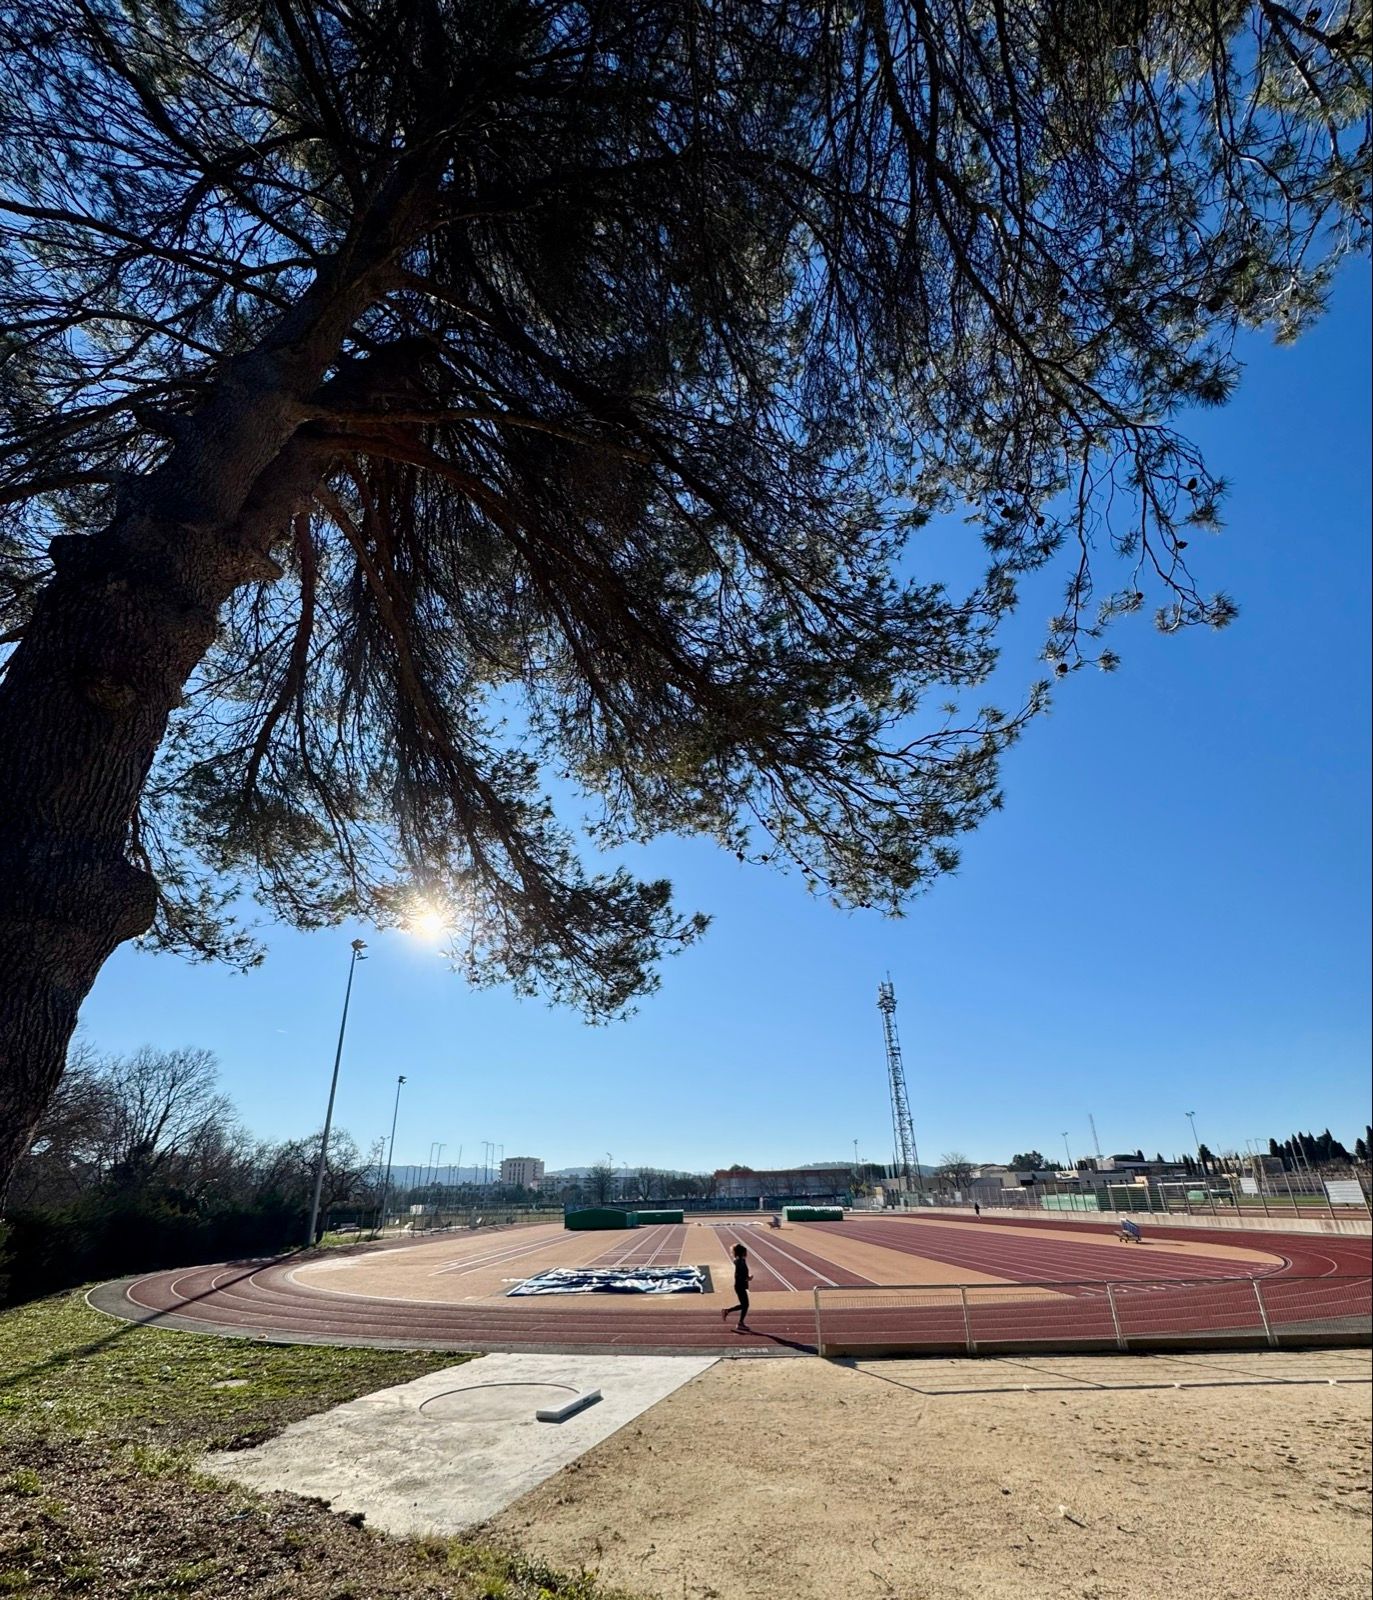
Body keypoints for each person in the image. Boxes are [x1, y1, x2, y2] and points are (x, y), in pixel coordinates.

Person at [720, 1242, 752, 1332]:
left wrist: (747, 1277)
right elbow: (738, 1275)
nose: (747, 1254)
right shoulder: (739, 1262)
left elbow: (742, 1273)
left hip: (741, 1285)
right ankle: (738, 1321)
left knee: (744, 1305)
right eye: (745, 1252)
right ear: (742, 1252)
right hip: (739, 1286)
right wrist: (747, 1278)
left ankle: (733, 1316)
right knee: (745, 1305)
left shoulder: (741, 1261)